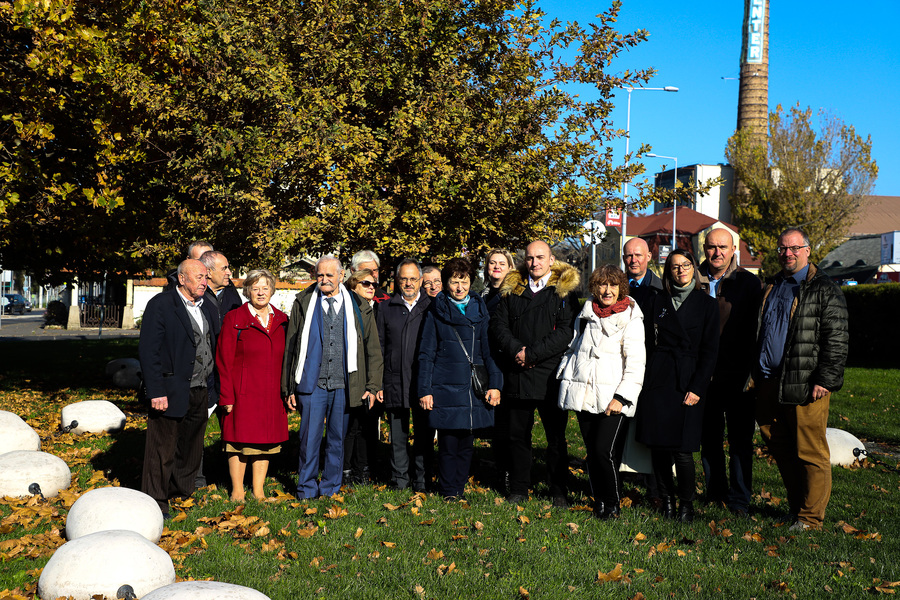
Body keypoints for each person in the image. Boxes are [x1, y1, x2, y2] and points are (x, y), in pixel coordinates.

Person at [754, 228, 848, 531]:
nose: (788, 254)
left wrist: (826, 378)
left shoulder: (824, 289)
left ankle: (810, 518)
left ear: (808, 250)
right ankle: (797, 510)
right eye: (782, 248)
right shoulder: (773, 285)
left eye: (794, 248)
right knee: (779, 445)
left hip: (806, 383)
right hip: (769, 379)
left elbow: (836, 339)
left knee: (810, 450)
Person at [281, 256, 383, 499]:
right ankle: (306, 488)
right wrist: (289, 388)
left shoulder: (359, 306)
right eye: (320, 275)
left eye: (329, 275)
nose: (324, 280)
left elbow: (373, 349)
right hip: (311, 384)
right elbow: (292, 346)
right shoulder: (304, 302)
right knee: (309, 440)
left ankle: (330, 488)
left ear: (341, 277)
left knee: (337, 439)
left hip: (345, 385)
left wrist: (372, 385)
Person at [490, 240, 580, 506]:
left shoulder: (563, 293)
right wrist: (518, 350)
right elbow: (498, 325)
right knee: (518, 435)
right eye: (530, 258)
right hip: (517, 372)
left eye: (540, 257)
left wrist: (533, 354)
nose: (535, 263)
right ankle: (519, 488)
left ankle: (558, 490)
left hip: (550, 375)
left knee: (555, 438)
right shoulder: (512, 290)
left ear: (551, 260)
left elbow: (566, 331)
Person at [636, 249, 719, 522]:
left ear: (694, 269)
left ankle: (687, 504)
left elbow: (710, 352)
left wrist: (697, 388)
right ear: (667, 271)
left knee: (683, 450)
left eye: (686, 265)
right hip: (658, 380)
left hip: (688, 382)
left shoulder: (707, 305)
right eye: (674, 267)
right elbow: (645, 343)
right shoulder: (656, 301)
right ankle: (667, 500)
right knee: (659, 447)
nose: (681, 270)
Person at [557, 264, 645, 519]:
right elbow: (574, 349)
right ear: (594, 287)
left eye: (613, 285)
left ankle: (613, 503)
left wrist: (622, 397)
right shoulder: (586, 314)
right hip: (585, 393)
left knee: (603, 451)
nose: (607, 291)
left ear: (621, 288)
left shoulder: (631, 316)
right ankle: (599, 502)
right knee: (592, 453)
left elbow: (636, 362)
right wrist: (566, 378)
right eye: (602, 285)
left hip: (612, 397)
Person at [139, 259, 219, 517]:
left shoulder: (207, 307)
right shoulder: (161, 305)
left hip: (200, 388)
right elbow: (149, 351)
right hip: (169, 390)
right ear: (182, 279)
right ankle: (156, 502)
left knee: (191, 448)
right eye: (198, 277)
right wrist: (156, 390)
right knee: (161, 451)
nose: (204, 282)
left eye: (206, 277)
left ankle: (181, 493)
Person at [418, 257, 502, 500]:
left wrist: (495, 384)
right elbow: (426, 354)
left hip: (472, 387)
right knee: (447, 443)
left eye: (463, 282)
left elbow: (489, 351)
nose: (459, 288)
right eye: (454, 282)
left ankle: (459, 488)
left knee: (466, 443)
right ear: (446, 283)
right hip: (444, 385)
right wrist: (425, 389)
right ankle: (447, 491)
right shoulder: (436, 311)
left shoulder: (480, 309)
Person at [697, 228, 762, 515]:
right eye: (712, 247)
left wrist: (751, 373)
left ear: (734, 249)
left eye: (723, 247)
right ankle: (715, 493)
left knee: (740, 442)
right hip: (702, 376)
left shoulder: (748, 283)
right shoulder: (691, 278)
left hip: (738, 376)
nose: (717, 253)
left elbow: (757, 331)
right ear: (704, 248)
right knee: (709, 439)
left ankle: (739, 499)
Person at [216, 269, 289, 501]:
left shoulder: (282, 320)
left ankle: (258, 490)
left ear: (272, 290)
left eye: (265, 287)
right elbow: (223, 359)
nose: (260, 292)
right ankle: (237, 490)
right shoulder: (235, 318)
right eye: (255, 288)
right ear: (247, 291)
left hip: (271, 393)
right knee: (238, 442)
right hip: (242, 392)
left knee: (265, 443)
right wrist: (226, 395)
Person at [376, 259, 434, 491]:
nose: (408, 283)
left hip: (422, 381)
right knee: (397, 436)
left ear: (421, 280)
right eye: (404, 278)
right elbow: (379, 347)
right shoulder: (386, 308)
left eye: (413, 278)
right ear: (397, 281)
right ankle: (399, 480)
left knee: (424, 435)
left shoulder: (432, 307)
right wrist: (378, 383)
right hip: (394, 380)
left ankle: (422, 480)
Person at [343, 267, 380, 484]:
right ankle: (347, 470)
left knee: (364, 425)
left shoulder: (371, 306)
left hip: (369, 375)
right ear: (353, 285)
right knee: (350, 426)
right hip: (353, 376)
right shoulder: (351, 306)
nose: (371, 287)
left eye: (374, 283)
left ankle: (362, 468)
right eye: (366, 283)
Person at [481, 249, 515, 314]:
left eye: (502, 264)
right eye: (492, 263)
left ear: (510, 268)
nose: (497, 266)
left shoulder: (515, 295)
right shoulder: (481, 296)